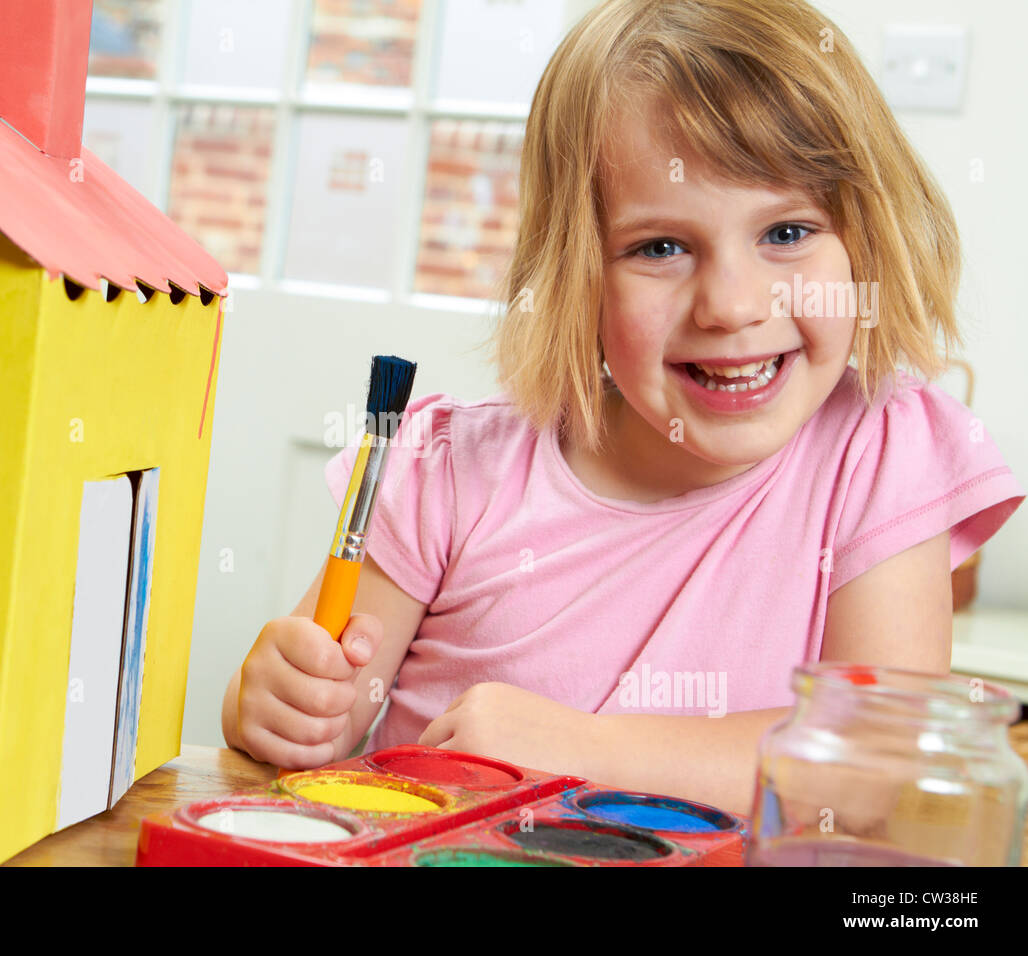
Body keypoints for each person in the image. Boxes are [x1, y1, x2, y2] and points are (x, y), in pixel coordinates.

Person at [221, 0, 1024, 814]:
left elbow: (872, 768)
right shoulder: (449, 470)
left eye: (786, 233)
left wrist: (578, 750)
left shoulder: (883, 455)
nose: (732, 305)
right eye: (661, 248)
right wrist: (280, 705)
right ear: (575, 274)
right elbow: (321, 719)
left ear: (866, 238)